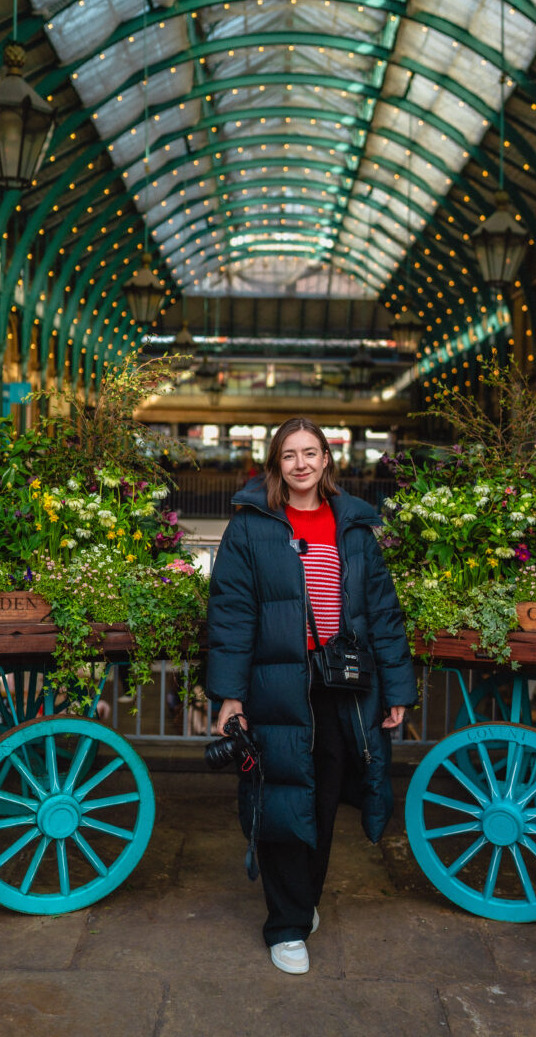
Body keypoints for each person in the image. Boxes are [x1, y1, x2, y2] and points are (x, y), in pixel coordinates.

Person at [206, 416, 417, 975]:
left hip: (339, 687)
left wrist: (397, 689)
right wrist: (229, 696)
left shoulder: (354, 527)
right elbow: (231, 614)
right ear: (276, 464)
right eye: (289, 455)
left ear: (326, 460)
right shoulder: (250, 526)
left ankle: (302, 904)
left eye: (310, 453)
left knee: (321, 805)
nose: (300, 464)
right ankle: (286, 925)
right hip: (274, 685)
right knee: (280, 801)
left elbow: (383, 613)